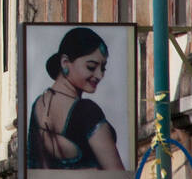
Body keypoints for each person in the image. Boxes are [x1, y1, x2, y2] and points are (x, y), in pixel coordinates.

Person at [27, 27, 125, 170]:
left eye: (103, 68)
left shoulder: (39, 104)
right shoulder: (87, 112)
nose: (99, 75)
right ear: (65, 63)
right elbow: (118, 178)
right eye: (91, 67)